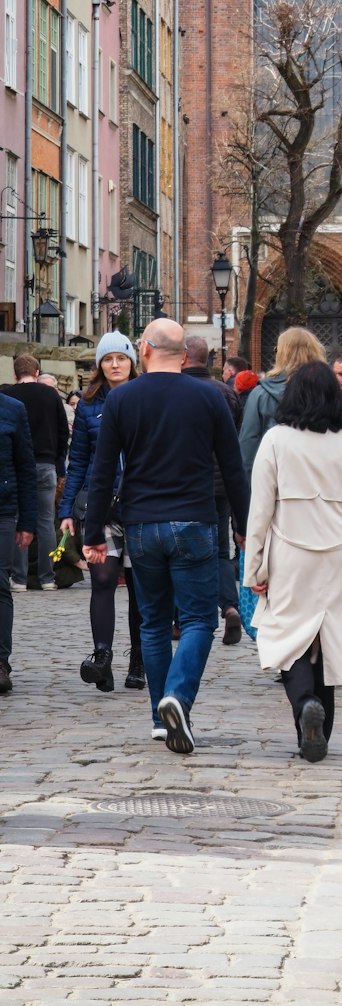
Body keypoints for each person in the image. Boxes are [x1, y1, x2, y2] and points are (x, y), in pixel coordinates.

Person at [82, 319, 250, 753]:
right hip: (194, 520)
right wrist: (245, 527)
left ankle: (162, 713)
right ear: (185, 353)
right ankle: (178, 696)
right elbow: (233, 468)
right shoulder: (209, 397)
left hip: (141, 524)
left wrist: (93, 531)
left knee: (154, 622)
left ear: (147, 348)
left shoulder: (122, 399)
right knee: (197, 620)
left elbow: (102, 472)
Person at [243, 362, 342, 762]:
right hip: (340, 555)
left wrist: (254, 567)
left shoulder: (275, 441)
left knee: (287, 636)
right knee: (327, 639)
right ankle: (319, 731)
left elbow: (259, 511)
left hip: (290, 552)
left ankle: (304, 709)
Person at [58, 332, 145, 693]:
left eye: (120, 359)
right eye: (107, 359)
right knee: (104, 580)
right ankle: (103, 656)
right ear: (99, 365)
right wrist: (67, 509)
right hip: (101, 505)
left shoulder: (146, 398)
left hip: (140, 503)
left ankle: (138, 660)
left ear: (131, 362)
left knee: (140, 588)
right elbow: (76, 461)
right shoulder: (89, 405)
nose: (114, 365)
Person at [182, 335, 244, 646]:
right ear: (209, 360)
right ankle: (230, 607)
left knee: (182, 552)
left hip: (186, 485)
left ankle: (182, 618)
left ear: (183, 357)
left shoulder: (175, 389)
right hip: (220, 486)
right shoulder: (225, 392)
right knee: (220, 551)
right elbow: (235, 443)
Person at [0, 353, 69, 591]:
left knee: (18, 520)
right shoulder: (50, 394)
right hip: (46, 463)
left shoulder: (8, 396)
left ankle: (18, 578)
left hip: (16, 466)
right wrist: (58, 459)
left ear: (15, 374)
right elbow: (63, 430)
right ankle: (47, 577)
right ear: (37, 372)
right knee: (45, 521)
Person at [239, 328, 327, 480]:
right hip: (323, 487)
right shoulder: (329, 392)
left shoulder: (261, 395)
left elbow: (248, 449)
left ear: (281, 354)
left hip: (277, 485)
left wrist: (250, 496)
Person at [0, 392, 37, 692]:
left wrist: (27, 521)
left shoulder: (13, 410)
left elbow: (26, 468)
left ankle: (0, 661)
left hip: (3, 510)